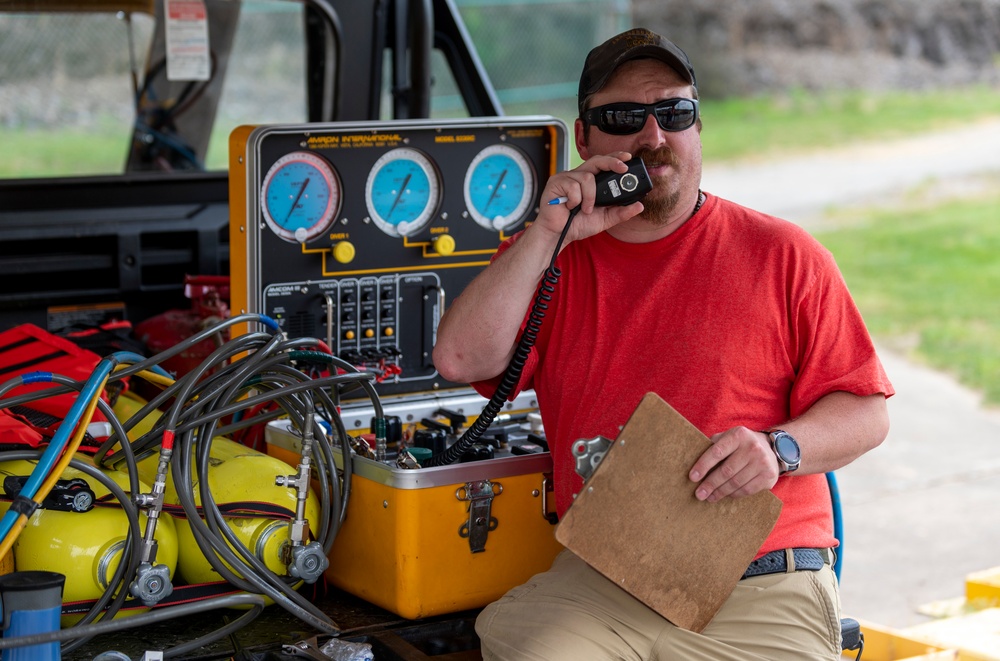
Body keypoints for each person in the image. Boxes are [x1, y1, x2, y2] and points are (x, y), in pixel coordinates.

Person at [432, 27, 893, 661]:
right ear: (585, 138)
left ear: (697, 129)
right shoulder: (551, 262)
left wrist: (779, 449)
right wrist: (548, 234)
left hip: (762, 579)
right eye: (625, 117)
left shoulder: (785, 255)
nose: (653, 137)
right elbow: (460, 360)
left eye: (674, 113)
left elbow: (867, 412)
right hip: (607, 580)